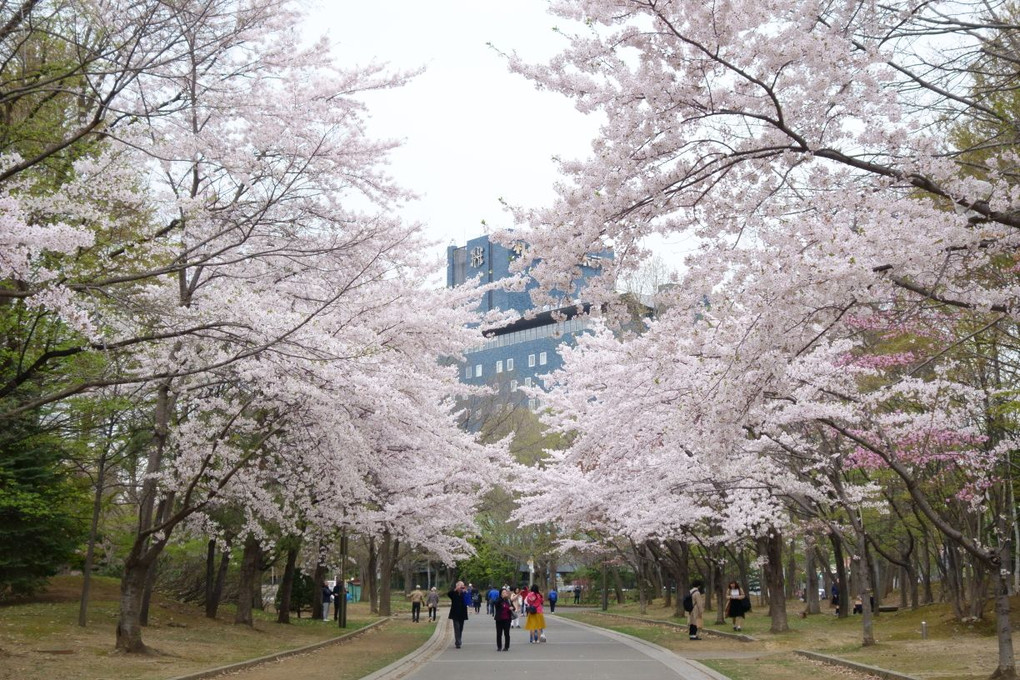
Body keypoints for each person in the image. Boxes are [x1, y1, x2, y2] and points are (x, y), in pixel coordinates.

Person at [448, 581, 469, 649]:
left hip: (462, 613)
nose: (461, 587)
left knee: (460, 628)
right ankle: (458, 642)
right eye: (460, 585)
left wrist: (466, 592)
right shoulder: (454, 593)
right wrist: (456, 589)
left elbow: (468, 601)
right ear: (457, 586)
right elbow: (449, 594)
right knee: (457, 628)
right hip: (455, 613)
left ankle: (459, 640)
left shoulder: (464, 593)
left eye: (462, 585)